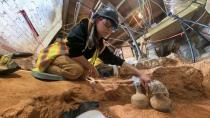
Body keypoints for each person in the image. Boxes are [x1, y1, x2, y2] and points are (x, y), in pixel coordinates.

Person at [33, 5, 150, 85]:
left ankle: (60, 71)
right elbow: (74, 53)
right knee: (77, 71)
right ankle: (47, 67)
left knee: (84, 74)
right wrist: (91, 66)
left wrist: (140, 74)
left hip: (69, 60)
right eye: (107, 24)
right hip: (57, 54)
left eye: (113, 29)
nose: (109, 30)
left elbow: (116, 60)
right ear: (96, 19)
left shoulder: (98, 44)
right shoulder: (82, 28)